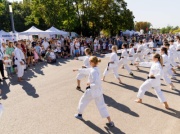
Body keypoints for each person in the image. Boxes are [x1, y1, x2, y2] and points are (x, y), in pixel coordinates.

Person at [74, 56, 114, 127]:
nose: (89, 62)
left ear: (92, 62)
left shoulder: (93, 71)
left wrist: (89, 84)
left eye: (89, 61)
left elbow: (97, 83)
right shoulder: (96, 69)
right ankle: (110, 121)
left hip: (91, 91)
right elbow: (87, 70)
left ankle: (79, 114)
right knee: (102, 106)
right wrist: (78, 69)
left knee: (83, 101)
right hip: (98, 92)